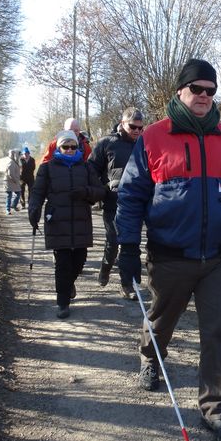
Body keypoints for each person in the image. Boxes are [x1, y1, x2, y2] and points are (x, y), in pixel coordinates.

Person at [115, 58, 221, 441]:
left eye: (211, 91)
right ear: (181, 91)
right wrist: (127, 245)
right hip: (170, 254)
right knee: (161, 321)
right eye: (198, 89)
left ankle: (216, 411)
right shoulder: (154, 137)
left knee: (217, 332)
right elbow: (131, 196)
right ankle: (149, 357)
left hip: (219, 257)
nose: (205, 97)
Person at [28, 130, 105, 319]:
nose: (70, 150)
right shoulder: (47, 168)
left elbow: (100, 192)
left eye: (73, 146)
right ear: (58, 147)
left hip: (81, 221)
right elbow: (37, 193)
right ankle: (63, 302)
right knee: (62, 263)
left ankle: (68, 284)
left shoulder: (86, 168)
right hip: (57, 222)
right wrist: (34, 209)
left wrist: (85, 192)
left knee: (79, 260)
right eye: (66, 146)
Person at [88, 107, 144, 298]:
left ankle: (128, 284)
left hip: (136, 201)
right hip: (113, 201)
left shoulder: (144, 145)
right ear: (122, 123)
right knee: (113, 241)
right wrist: (103, 187)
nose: (137, 130)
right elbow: (91, 169)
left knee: (131, 243)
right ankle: (105, 268)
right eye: (133, 126)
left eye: (140, 127)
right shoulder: (106, 143)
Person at [3, 148, 21, 215]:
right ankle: (8, 210)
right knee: (9, 195)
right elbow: (10, 174)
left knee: (18, 193)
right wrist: (16, 180)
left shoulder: (14, 161)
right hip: (10, 181)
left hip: (13, 182)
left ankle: (13, 205)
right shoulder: (11, 162)